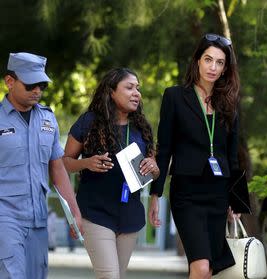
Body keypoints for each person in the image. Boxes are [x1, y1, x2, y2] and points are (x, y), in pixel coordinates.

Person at [149, 33, 240, 279]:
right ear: (197, 61)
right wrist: (155, 194)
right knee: (200, 267)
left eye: (220, 62)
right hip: (187, 193)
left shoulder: (229, 102)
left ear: (225, 68)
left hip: (218, 193)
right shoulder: (175, 96)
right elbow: (164, 148)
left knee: (208, 269)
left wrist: (237, 200)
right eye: (208, 59)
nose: (213, 67)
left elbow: (233, 154)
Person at [62, 68, 160, 279]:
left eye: (138, 88)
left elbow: (154, 168)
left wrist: (154, 168)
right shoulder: (89, 122)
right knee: (109, 276)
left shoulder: (141, 127)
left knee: (118, 276)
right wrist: (87, 163)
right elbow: (64, 163)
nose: (137, 93)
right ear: (111, 92)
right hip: (96, 213)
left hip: (129, 215)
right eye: (129, 87)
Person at [0, 52, 83, 279]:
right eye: (30, 85)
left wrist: (74, 213)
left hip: (38, 218)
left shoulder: (48, 119)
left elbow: (57, 170)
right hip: (5, 217)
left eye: (42, 85)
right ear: (10, 82)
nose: (37, 90)